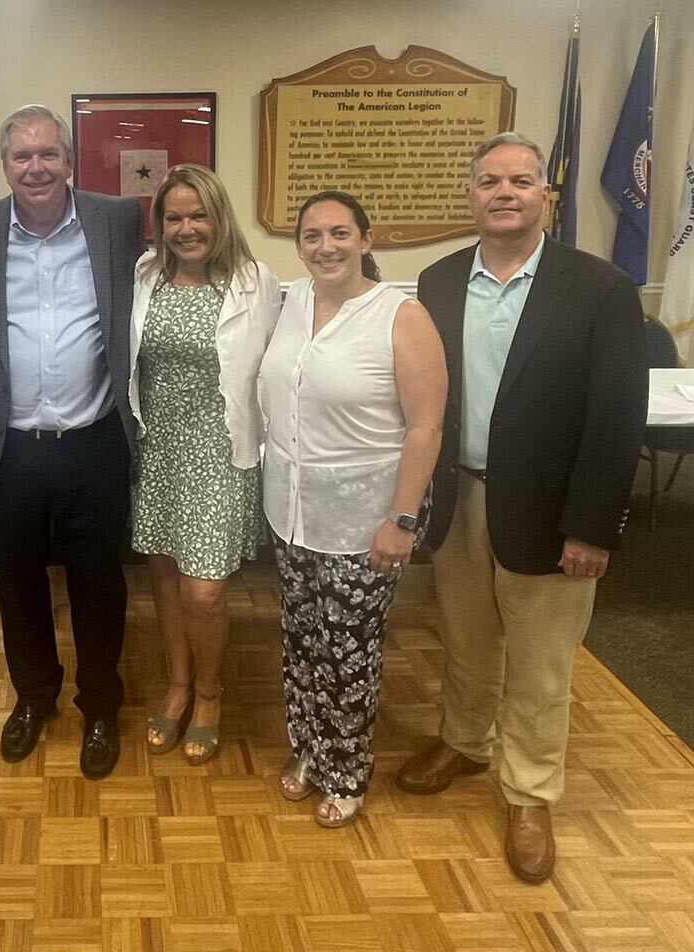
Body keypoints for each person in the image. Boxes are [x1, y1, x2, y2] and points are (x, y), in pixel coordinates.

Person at [395, 133, 647, 882]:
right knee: (467, 642)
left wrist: (593, 525)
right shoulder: (437, 281)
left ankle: (530, 792)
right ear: (469, 195)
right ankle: (465, 743)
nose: (503, 192)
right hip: (461, 498)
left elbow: (617, 415)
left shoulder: (599, 288)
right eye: (488, 181)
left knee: (542, 664)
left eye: (520, 180)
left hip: (551, 509)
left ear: (547, 195)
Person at [0, 104, 144, 779]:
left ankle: (101, 704)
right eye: (22, 156)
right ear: (4, 165)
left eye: (47, 154)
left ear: (69, 159)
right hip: (8, 445)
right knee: (17, 582)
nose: (35, 167)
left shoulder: (118, 222)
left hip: (94, 441)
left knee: (99, 584)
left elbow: (192, 263)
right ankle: (34, 697)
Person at [258, 190, 447, 828]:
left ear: (368, 239)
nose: (326, 247)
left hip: (363, 524)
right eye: (312, 236)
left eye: (340, 233)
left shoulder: (400, 315)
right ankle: (309, 747)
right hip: (291, 513)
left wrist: (402, 521)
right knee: (302, 640)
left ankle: (346, 768)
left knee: (348, 650)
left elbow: (425, 430)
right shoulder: (292, 303)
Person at [128, 164, 280, 765]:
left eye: (199, 215)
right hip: (158, 449)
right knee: (165, 576)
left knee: (205, 592)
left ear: (219, 218)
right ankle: (178, 682)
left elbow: (277, 364)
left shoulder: (253, 281)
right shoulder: (145, 276)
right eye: (174, 217)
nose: (187, 228)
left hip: (220, 454)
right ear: (159, 224)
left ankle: (211, 693)